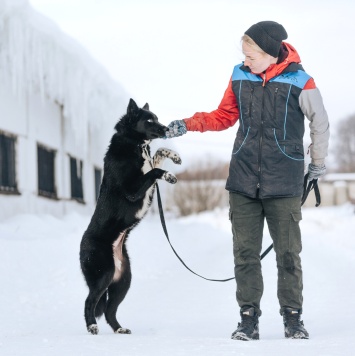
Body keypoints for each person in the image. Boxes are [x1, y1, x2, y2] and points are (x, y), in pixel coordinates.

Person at [165, 21, 329, 341]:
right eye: (244, 55)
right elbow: (223, 116)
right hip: (243, 180)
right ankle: (248, 318)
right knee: (245, 253)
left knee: (287, 253)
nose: (245, 61)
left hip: (284, 180)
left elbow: (319, 123)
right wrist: (187, 124)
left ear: (269, 54)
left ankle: (292, 318)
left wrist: (318, 164)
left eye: (250, 55)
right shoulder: (240, 75)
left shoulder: (302, 82)